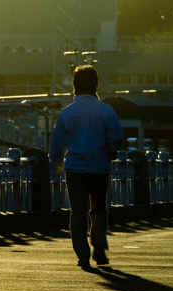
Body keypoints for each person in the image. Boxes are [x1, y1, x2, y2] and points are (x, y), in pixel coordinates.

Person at [49, 64, 123, 269]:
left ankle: (82, 255)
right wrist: (111, 153)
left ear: (75, 86)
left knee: (78, 213)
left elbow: (56, 144)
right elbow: (116, 138)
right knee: (99, 209)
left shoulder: (67, 113)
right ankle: (99, 246)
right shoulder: (106, 111)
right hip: (99, 168)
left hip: (74, 170)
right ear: (95, 86)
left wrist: (56, 167)